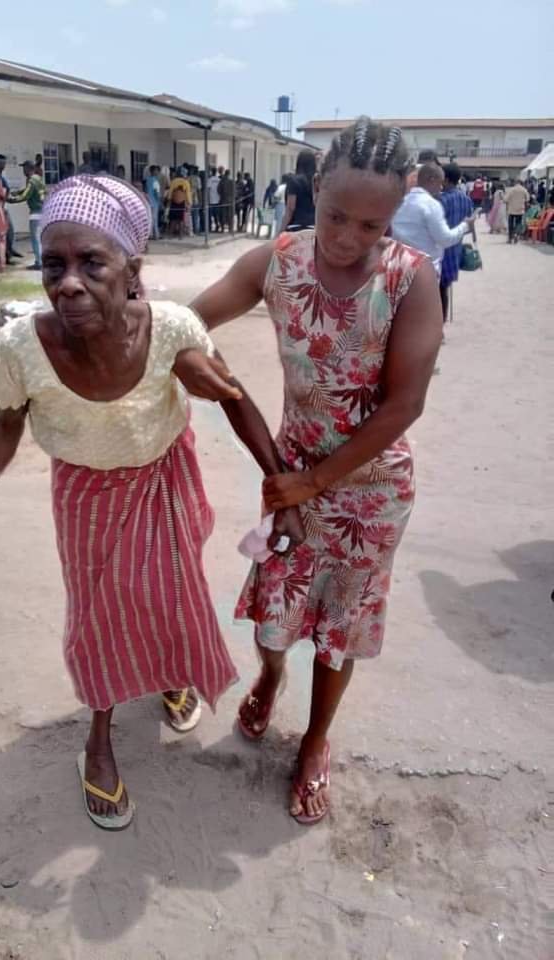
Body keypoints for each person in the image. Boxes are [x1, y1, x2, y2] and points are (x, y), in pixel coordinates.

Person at [0, 173, 296, 830]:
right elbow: (7, 422)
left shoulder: (174, 329)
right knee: (99, 612)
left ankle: (170, 673)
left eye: (91, 263)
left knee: (167, 593)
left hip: (164, 476)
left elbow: (234, 399)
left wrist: (280, 485)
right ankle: (98, 740)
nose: (68, 283)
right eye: (54, 264)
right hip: (86, 491)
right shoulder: (22, 345)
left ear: (131, 270)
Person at [187, 116, 443, 825]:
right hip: (292, 478)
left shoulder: (409, 280)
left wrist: (316, 481)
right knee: (277, 616)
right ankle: (270, 682)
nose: (349, 237)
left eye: (372, 224)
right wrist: (190, 355)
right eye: (337, 215)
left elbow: (404, 405)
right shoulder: (277, 262)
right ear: (316, 188)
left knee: (340, 628)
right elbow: (190, 321)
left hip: (370, 491)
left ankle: (317, 740)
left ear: (393, 216)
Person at [391, 163, 474, 276]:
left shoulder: (399, 202)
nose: (441, 188)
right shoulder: (431, 205)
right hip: (424, 271)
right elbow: (445, 239)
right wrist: (465, 225)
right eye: (440, 182)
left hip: (398, 268)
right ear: (432, 179)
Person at [438, 163, 474, 322]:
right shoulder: (466, 199)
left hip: (440, 250)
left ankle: (437, 326)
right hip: (455, 251)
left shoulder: (440, 200)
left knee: (435, 292)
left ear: (445, 179)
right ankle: (442, 323)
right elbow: (468, 226)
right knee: (443, 289)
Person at [8, 160, 46, 270]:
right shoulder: (38, 178)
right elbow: (28, 191)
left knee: (35, 239)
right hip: (43, 211)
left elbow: (26, 195)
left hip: (36, 212)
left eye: (24, 168)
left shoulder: (32, 180)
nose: (23, 171)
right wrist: (18, 192)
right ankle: (41, 260)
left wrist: (12, 200)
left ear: (29, 168)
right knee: (39, 238)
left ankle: (39, 263)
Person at [280, 149, 317, 232]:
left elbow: (290, 208)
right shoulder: (318, 181)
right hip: (314, 225)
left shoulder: (293, 181)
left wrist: (280, 231)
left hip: (296, 225)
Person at [0, 154, 24, 264]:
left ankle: (9, 251)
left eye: (4, 164)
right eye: (1, 164)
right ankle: (6, 256)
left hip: (3, 207)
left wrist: (7, 197)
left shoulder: (2, 176)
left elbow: (7, 188)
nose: (3, 166)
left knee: (10, 231)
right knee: (3, 233)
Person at [504, 179, 529, 244]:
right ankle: (516, 234)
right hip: (520, 210)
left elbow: (506, 199)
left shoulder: (511, 190)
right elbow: (528, 199)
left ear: (516, 183)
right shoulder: (524, 190)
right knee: (518, 223)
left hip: (511, 210)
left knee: (510, 224)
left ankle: (510, 238)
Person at [144, 164, 161, 240]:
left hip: (147, 201)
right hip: (154, 202)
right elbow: (156, 193)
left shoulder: (147, 180)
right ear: (153, 171)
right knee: (154, 219)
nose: (157, 172)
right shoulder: (155, 181)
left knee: (150, 218)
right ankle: (155, 235)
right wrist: (159, 201)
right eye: (156, 170)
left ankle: (150, 234)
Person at [207, 166, 221, 232]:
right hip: (217, 200)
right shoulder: (219, 179)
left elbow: (208, 189)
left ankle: (210, 228)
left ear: (211, 172)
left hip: (211, 200)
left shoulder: (210, 180)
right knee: (216, 215)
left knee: (210, 215)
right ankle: (217, 226)